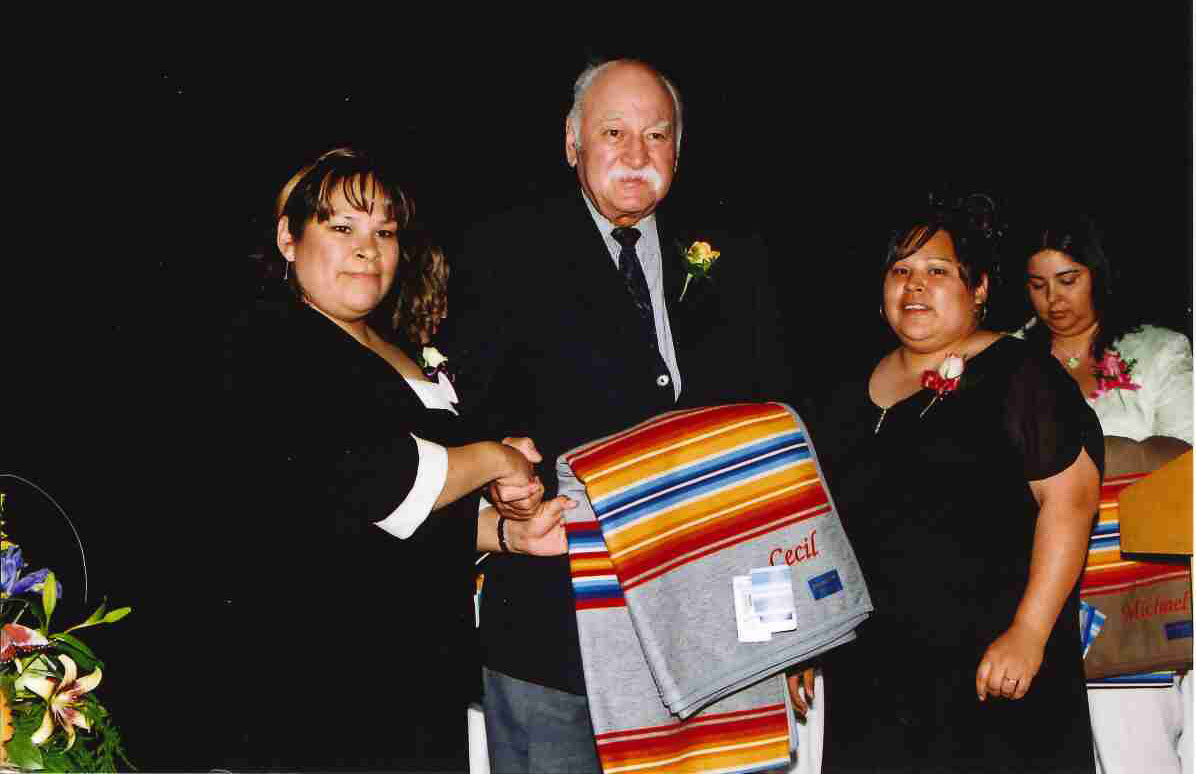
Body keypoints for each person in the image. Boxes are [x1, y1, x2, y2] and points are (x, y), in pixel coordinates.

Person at [446, 59, 790, 772]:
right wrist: (497, 480)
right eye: (614, 132)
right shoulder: (503, 251)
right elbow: (466, 421)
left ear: (678, 149)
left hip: (708, 641)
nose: (637, 155)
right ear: (572, 144)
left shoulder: (738, 255)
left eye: (656, 135)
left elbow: (770, 438)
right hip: (555, 633)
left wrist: (786, 626)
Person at [220, 147, 572, 771]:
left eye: (383, 231)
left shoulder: (398, 349)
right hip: (322, 691)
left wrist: (508, 534)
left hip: (411, 681)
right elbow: (378, 481)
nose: (368, 248)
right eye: (342, 227)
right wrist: (493, 459)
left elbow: (398, 524)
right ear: (288, 238)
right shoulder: (276, 341)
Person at [796, 194, 1103, 771]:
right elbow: (822, 529)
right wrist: (807, 643)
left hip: (993, 674)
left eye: (937, 271)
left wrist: (1029, 632)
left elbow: (1072, 501)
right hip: (876, 686)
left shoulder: (1020, 374)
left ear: (980, 287)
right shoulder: (845, 392)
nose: (914, 286)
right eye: (900, 271)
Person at [1021, 212, 1192, 774]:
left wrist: (1097, 464)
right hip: (1062, 589)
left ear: (1098, 273)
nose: (1053, 300)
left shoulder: (1157, 351)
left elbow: (1187, 456)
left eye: (1068, 279)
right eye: (1038, 284)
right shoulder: (1011, 360)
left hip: (1154, 578)